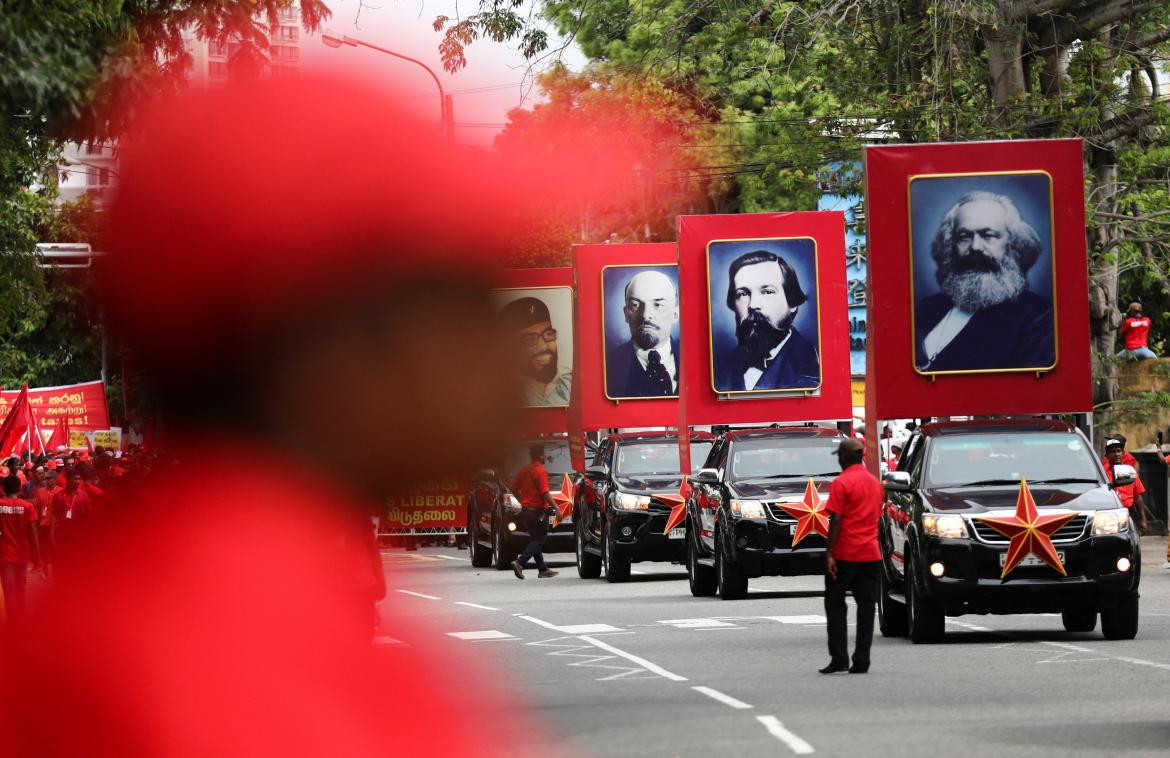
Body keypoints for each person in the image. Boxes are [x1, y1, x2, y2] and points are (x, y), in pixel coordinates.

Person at [915, 191, 1054, 372]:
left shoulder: (1038, 316)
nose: (975, 247)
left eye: (988, 235)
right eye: (964, 236)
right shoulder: (928, 307)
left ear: (1012, 243)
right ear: (951, 244)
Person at [714, 250, 819, 392]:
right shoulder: (719, 369)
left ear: (792, 302)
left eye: (767, 292)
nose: (753, 305)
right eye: (743, 294)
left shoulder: (814, 365)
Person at [821, 438, 883, 675]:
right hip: (871, 554)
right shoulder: (875, 483)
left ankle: (839, 658)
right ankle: (862, 660)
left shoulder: (841, 482)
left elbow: (835, 519)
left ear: (845, 458)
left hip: (845, 554)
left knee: (835, 604)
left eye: (839, 456)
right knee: (866, 607)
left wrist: (829, 554)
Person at [605, 269, 680, 397]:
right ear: (626, 313)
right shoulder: (607, 366)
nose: (645, 315)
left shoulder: (699, 361)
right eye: (635, 304)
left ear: (675, 314)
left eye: (658, 305)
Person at [499, 297, 572, 406]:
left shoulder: (570, 381)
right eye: (530, 339)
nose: (543, 347)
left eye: (548, 334)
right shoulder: (502, 395)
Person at [509, 444, 558, 579]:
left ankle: (542, 569)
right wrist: (557, 507)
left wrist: (522, 500)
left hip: (526, 510)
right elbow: (545, 493)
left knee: (534, 539)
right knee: (540, 539)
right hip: (538, 510)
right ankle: (520, 562)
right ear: (541, 455)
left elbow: (513, 487)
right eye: (545, 453)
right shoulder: (541, 471)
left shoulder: (525, 470)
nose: (546, 456)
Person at [0, 475, 41, 622]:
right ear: (19, 488)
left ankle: (11, 622)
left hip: (4, 554)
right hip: (23, 554)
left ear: (4, 488)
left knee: (9, 591)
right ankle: (21, 622)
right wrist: (38, 559)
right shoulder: (28, 506)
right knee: (20, 590)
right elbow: (33, 534)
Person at [1104, 438, 1148, 535]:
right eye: (1112, 451)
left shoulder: (1130, 471)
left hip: (1129, 513)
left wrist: (1143, 519)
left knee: (1133, 544)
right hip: (1109, 515)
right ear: (1106, 455)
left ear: (1123, 453)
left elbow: (1137, 496)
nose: (1116, 454)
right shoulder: (1102, 474)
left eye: (1119, 451)